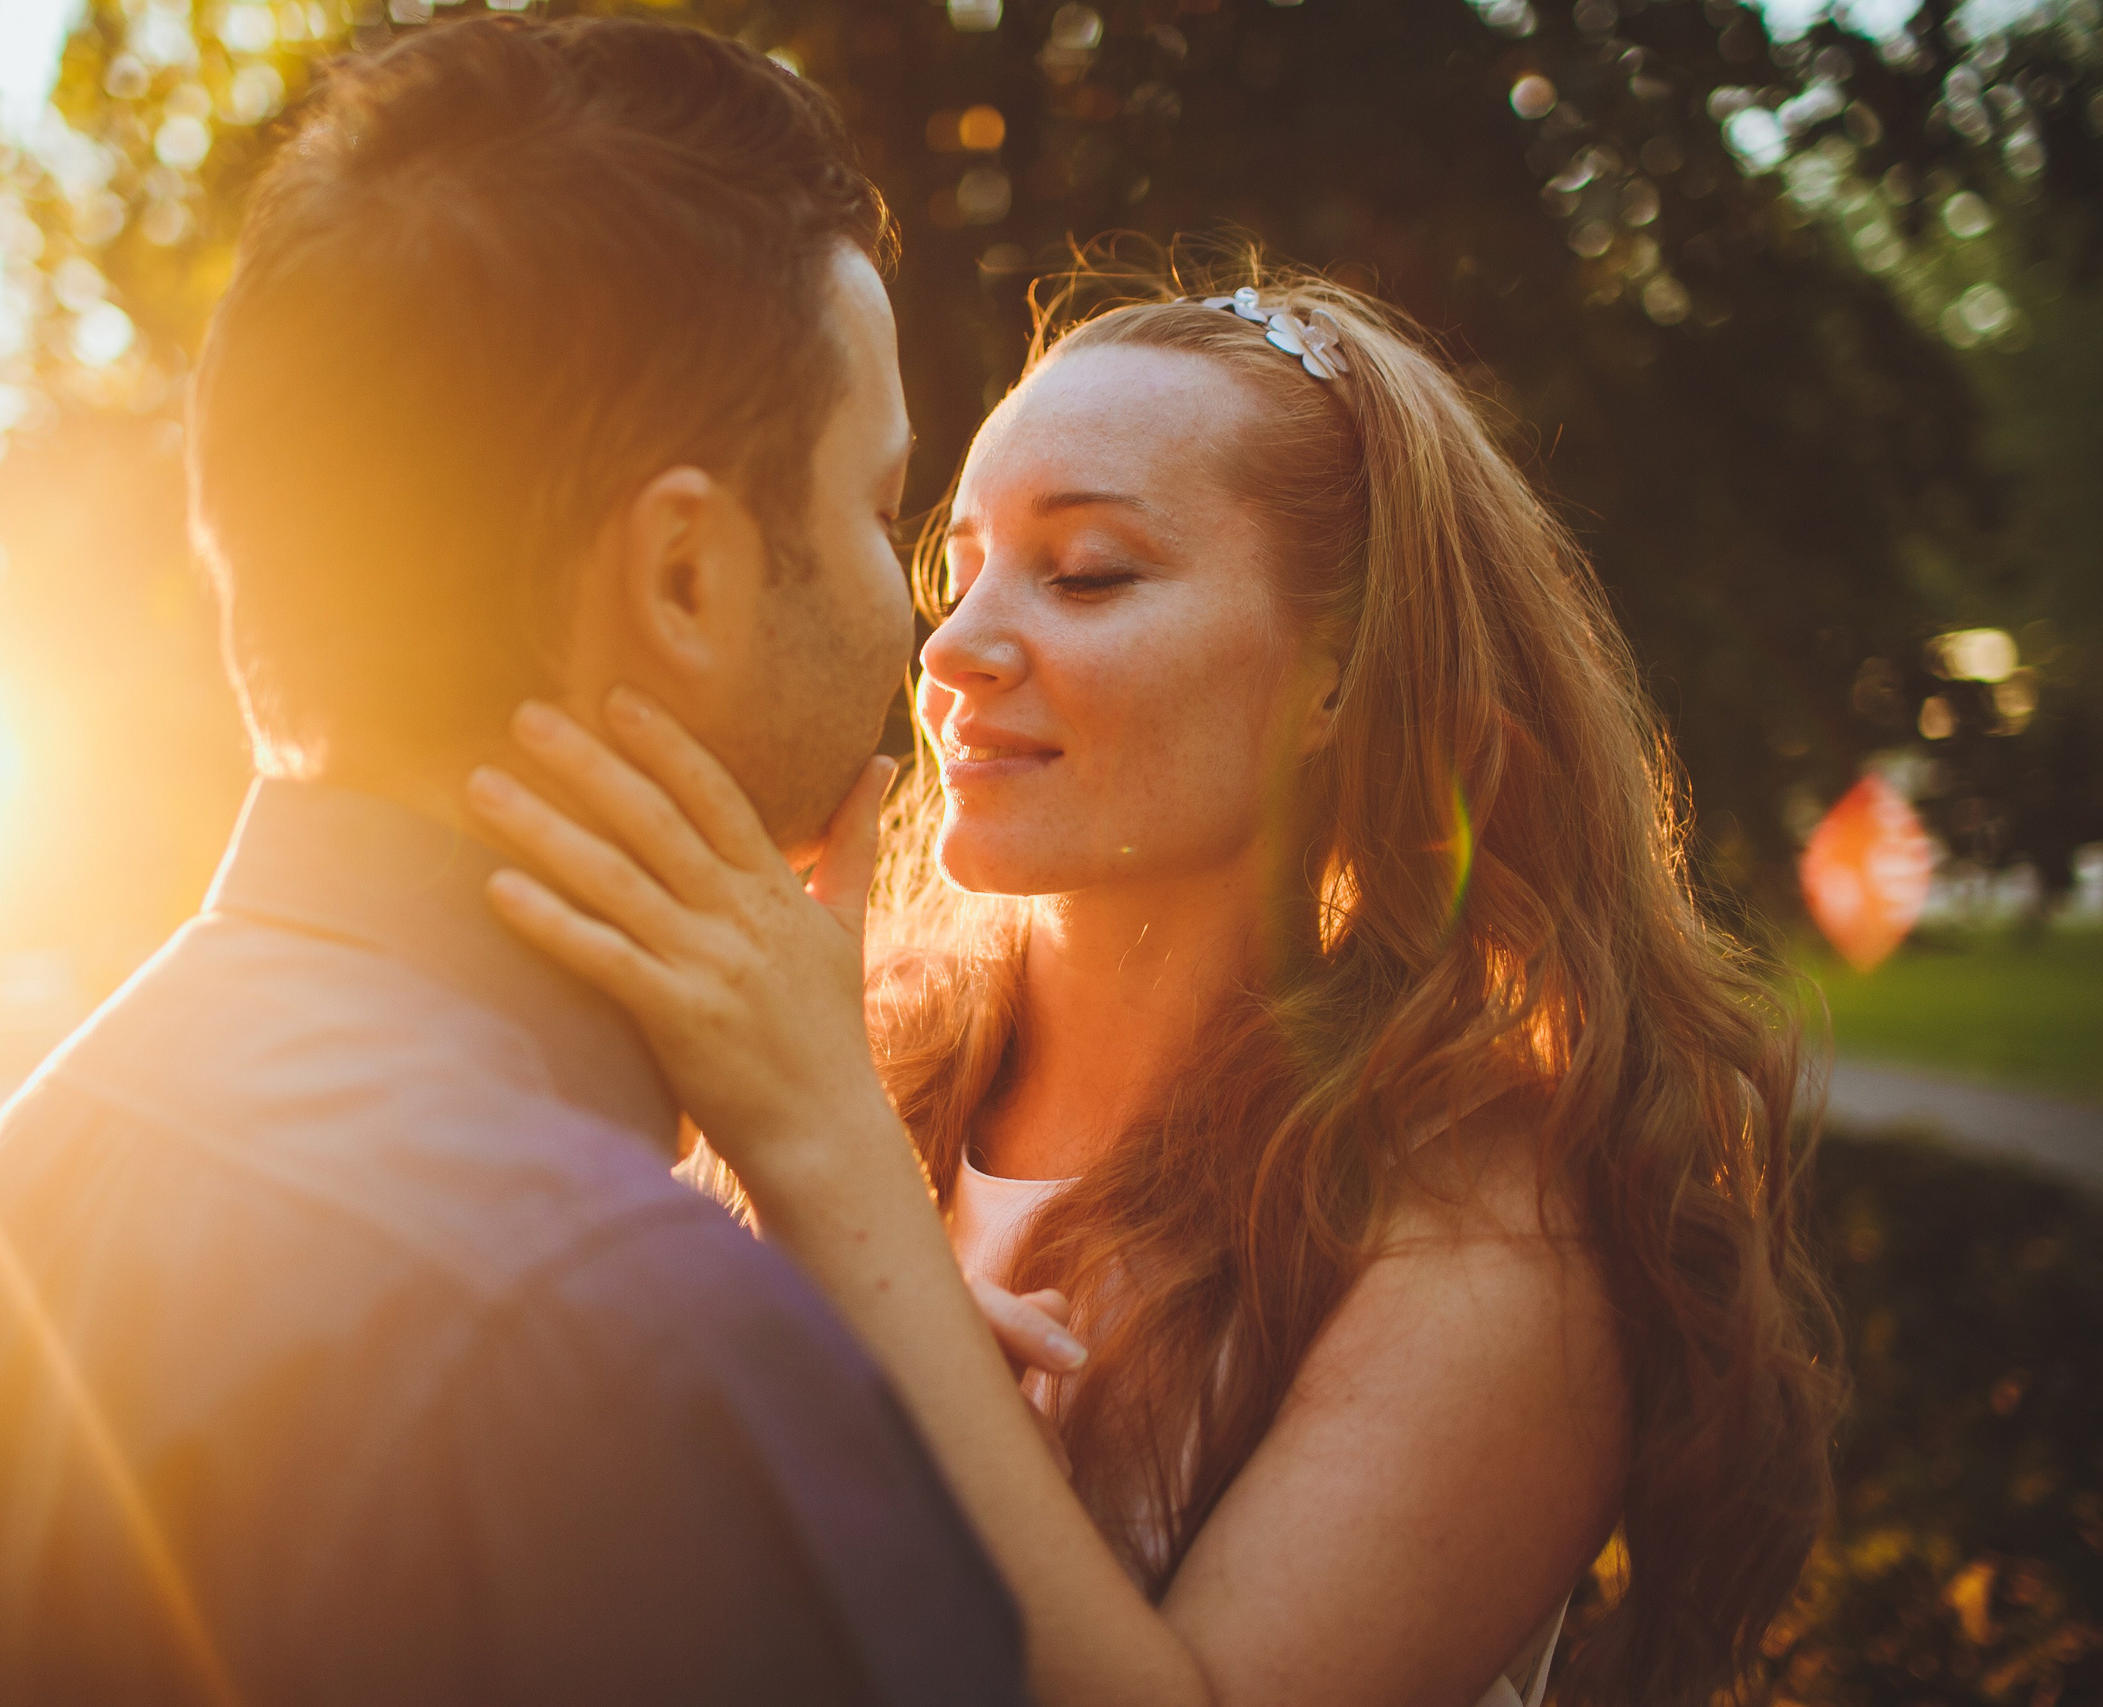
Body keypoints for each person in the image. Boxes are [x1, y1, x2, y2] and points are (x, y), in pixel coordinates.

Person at [470, 260, 1846, 1707]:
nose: (953, 649)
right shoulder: (837, 1054)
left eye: (1084, 574)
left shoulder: (1485, 1228)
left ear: (1339, 673)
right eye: (956, 573)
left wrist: (839, 1197)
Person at [0, 19, 1028, 1705]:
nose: (915, 610)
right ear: (684, 576)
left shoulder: (22, 1188)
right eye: (881, 502)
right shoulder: (634, 1343)